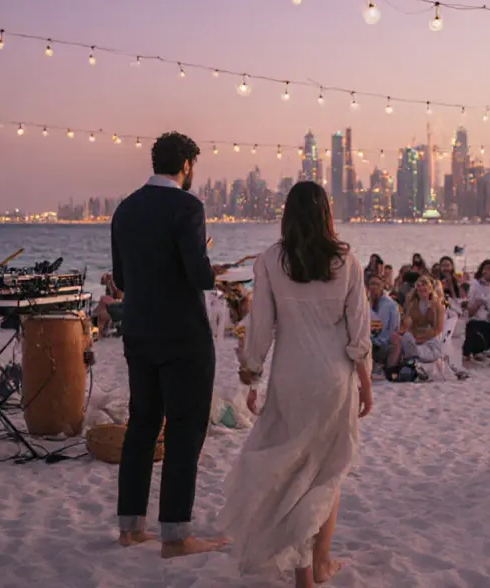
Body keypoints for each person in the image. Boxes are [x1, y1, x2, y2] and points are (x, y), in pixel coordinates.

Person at [220, 181, 371, 587]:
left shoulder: (271, 261)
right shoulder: (347, 261)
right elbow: (359, 332)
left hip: (291, 377)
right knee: (326, 472)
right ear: (327, 215)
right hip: (335, 378)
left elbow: (261, 327)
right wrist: (365, 381)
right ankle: (319, 563)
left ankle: (305, 567)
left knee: (291, 470)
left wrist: (251, 375)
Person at [110, 132, 230, 558]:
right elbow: (199, 277)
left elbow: (121, 280)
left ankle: (130, 528)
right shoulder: (187, 206)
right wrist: (207, 263)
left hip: (139, 332)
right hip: (183, 336)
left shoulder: (125, 208)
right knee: (184, 431)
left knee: (142, 426)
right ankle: (176, 536)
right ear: (186, 166)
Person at [463, 260, 490, 359]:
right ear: (482, 271)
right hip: (475, 320)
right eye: (486, 268)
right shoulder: (475, 285)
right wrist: (478, 303)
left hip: (489, 320)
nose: (489, 271)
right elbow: (470, 312)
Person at [367, 274, 400, 373]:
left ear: (382, 286)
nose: (374, 287)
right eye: (371, 284)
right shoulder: (364, 303)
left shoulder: (391, 305)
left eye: (377, 284)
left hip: (383, 344)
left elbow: (395, 328)